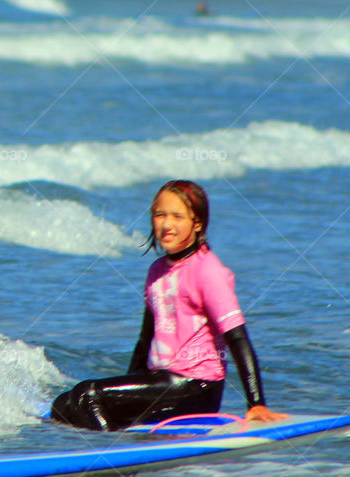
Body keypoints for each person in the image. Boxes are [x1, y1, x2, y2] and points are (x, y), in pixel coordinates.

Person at [51, 180, 287, 431]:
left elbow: (238, 338)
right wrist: (125, 388)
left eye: (177, 216)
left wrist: (256, 403)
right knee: (64, 404)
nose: (166, 224)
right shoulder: (157, 271)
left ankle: (112, 456)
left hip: (196, 386)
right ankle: (89, 453)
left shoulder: (207, 271)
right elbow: (145, 339)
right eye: (160, 215)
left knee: (88, 394)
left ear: (197, 224)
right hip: (160, 382)